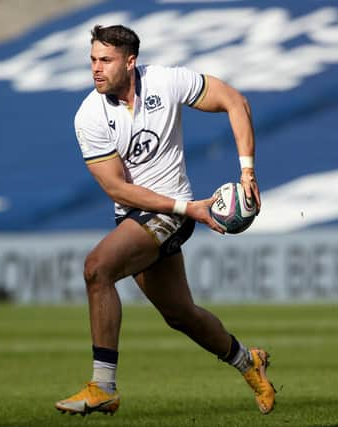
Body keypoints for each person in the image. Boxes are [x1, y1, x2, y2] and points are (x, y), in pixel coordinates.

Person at [55, 24, 275, 417]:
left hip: (170, 214)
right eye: (92, 60)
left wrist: (247, 173)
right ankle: (248, 361)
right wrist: (186, 208)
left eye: (105, 60)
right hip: (145, 212)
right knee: (181, 315)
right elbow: (118, 190)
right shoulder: (89, 115)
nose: (96, 68)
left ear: (130, 61)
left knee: (96, 269)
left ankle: (102, 386)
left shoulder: (167, 81)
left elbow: (235, 102)